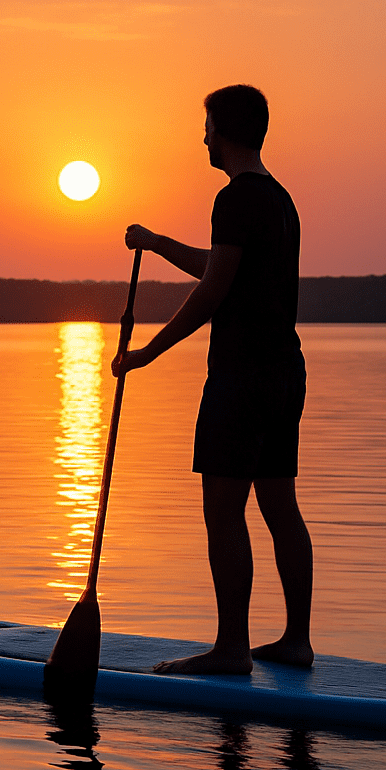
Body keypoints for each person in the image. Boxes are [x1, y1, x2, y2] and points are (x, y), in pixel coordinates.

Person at [112, 83, 313, 674]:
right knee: (279, 504)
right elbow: (218, 264)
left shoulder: (235, 198)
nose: (201, 137)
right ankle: (296, 641)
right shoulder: (279, 200)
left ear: (222, 130)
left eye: (205, 126)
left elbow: (213, 291)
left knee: (224, 510)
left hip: (242, 377)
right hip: (283, 373)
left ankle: (231, 650)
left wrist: (149, 351)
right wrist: (154, 243)